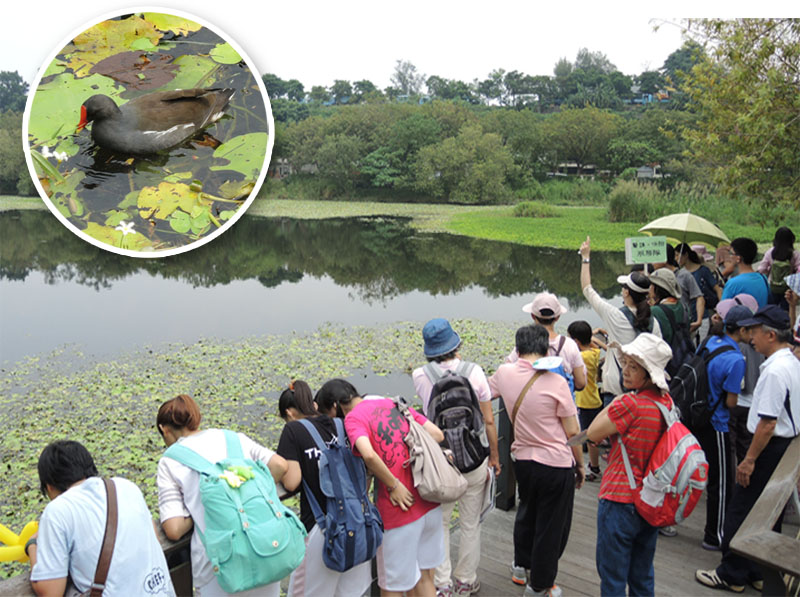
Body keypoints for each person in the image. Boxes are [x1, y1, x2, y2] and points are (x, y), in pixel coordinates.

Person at [696, 305, 800, 592]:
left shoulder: (775, 372)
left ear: (770, 335)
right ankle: (757, 569)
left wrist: (749, 460)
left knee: (740, 509)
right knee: (768, 513)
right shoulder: (791, 363)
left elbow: (767, 424)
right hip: (784, 448)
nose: (750, 337)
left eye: (754, 331)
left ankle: (731, 573)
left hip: (767, 448)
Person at [156, 394, 289, 597]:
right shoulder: (234, 437)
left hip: (217, 567)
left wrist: (200, 506)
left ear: (164, 430)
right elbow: (280, 465)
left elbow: (173, 529)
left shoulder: (170, 461)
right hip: (264, 552)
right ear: (196, 419)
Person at [489, 324, 584, 597]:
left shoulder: (504, 373)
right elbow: (573, 432)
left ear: (517, 349)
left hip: (523, 462)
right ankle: (539, 584)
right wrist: (579, 465)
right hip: (555, 465)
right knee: (551, 526)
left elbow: (484, 393)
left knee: (527, 513)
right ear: (545, 350)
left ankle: (520, 567)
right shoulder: (556, 382)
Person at [411, 318, 499, 597]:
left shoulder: (419, 375)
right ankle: (466, 580)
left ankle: (443, 584)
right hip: (474, 459)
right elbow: (488, 420)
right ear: (456, 345)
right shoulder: (475, 372)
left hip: (441, 462)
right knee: (471, 523)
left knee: (442, 525)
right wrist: (494, 457)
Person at [586, 333, 674, 597]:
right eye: (625, 363)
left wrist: (615, 403)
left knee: (612, 577)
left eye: (633, 366)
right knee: (642, 574)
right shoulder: (666, 403)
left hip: (619, 499)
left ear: (649, 373)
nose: (625, 370)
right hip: (649, 499)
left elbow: (592, 433)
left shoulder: (629, 404)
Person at [28, 440, 175, 596]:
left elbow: (51, 592)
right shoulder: (126, 486)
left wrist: (32, 545)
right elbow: (154, 538)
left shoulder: (57, 511)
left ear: (49, 486)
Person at [340, 382, 446, 597]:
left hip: (399, 510)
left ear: (338, 407)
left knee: (392, 587)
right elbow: (437, 434)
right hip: (429, 501)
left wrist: (393, 484)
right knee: (425, 578)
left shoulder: (354, 417)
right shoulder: (396, 404)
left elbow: (368, 455)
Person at [277, 379, 372, 597]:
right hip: (358, 522)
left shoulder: (293, 430)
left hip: (322, 530)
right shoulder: (340, 423)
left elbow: (291, 482)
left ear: (289, 413)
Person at [579, 236, 662, 406]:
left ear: (626, 293)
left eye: (624, 287)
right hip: (644, 393)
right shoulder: (654, 322)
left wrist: (585, 258)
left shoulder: (615, 316)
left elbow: (587, 289)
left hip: (617, 394)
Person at [695, 305, 749, 551]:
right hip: (717, 423)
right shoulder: (737, 359)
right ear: (744, 330)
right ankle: (714, 535)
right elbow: (730, 402)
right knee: (721, 482)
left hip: (696, 416)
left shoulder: (710, 341)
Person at [713, 295, 763, 464]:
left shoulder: (734, 350)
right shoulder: (759, 342)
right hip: (752, 402)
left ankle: (736, 481)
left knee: (731, 448)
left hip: (737, 403)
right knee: (745, 446)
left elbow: (731, 399)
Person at [506, 293, 587, 393]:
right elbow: (580, 383)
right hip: (561, 404)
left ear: (533, 316)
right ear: (557, 317)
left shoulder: (525, 343)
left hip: (531, 404)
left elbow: (507, 372)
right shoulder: (570, 345)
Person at [567, 320, 603, 482]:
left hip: (585, 403)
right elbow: (593, 344)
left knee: (586, 436)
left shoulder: (582, 357)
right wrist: (593, 335)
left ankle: (590, 467)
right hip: (595, 399)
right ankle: (593, 466)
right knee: (590, 436)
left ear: (576, 342)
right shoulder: (594, 352)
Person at [654, 244, 704, 337]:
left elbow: (699, 297)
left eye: (655, 257)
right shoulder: (656, 277)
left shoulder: (684, 275)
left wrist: (699, 320)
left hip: (682, 324)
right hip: (664, 323)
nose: (652, 262)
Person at [676, 243, 723, 343]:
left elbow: (717, 289)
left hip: (702, 316)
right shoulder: (679, 274)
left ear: (686, 255)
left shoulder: (703, 271)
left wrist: (721, 309)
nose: (676, 258)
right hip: (686, 318)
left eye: (677, 255)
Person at [758, 226, 800, 308]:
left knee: (770, 309)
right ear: (792, 239)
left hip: (772, 285)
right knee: (786, 312)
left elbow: (761, 269)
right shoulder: (795, 254)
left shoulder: (770, 252)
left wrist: (770, 270)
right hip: (788, 288)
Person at [721, 237, 770, 307]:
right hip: (761, 317)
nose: (729, 256)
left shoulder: (733, 284)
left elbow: (723, 310)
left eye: (731, 253)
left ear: (738, 258)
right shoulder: (763, 278)